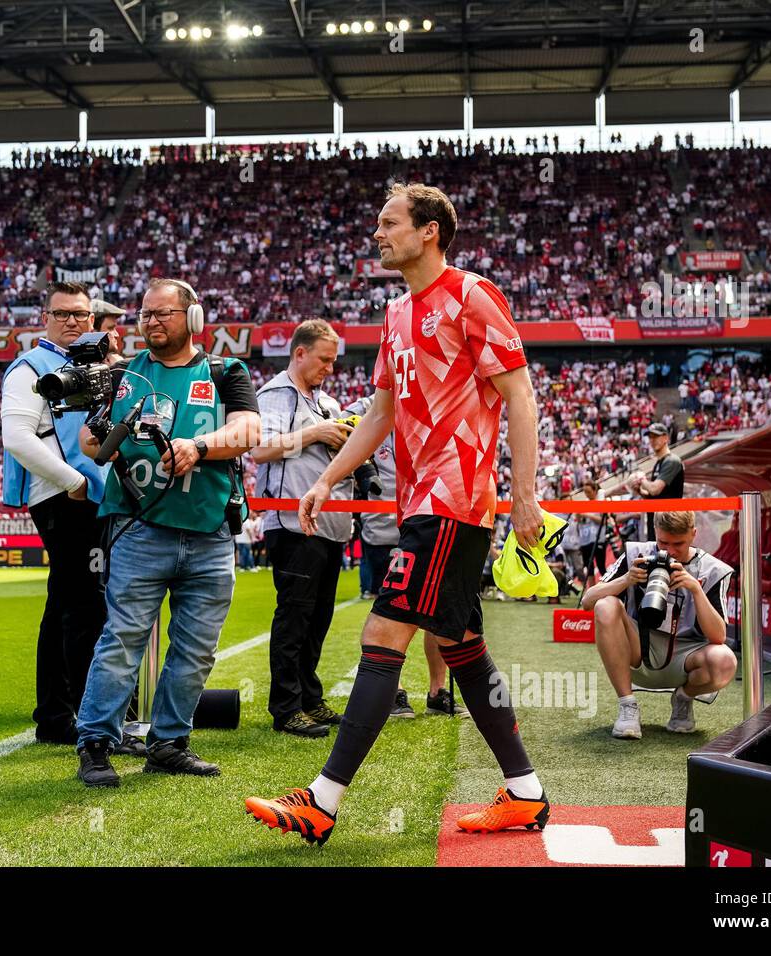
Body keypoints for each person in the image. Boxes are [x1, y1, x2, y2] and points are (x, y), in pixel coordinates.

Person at [245, 182, 549, 846]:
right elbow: (380, 413)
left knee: (383, 636)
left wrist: (524, 493)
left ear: (429, 231)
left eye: (389, 223)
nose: (377, 234)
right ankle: (525, 792)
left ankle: (321, 802)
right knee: (463, 647)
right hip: (422, 501)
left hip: (453, 499)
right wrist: (328, 476)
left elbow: (519, 396)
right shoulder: (396, 314)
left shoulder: (473, 295)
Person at [74, 277, 261, 788]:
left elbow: (249, 431)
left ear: (193, 318)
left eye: (164, 314)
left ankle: (169, 743)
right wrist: (106, 435)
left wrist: (197, 447)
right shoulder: (121, 376)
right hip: (138, 528)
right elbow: (91, 443)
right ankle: (95, 744)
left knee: (196, 647)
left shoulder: (225, 372)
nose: (152, 323)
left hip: (209, 532)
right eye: (146, 315)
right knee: (123, 639)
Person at [1, 281, 111, 747]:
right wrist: (74, 482)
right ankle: (74, 713)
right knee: (82, 606)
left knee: (67, 602)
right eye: (63, 313)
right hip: (64, 497)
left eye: (81, 315)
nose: (72, 321)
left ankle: (55, 712)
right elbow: (18, 438)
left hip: (87, 496)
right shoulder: (29, 368)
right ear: (44, 317)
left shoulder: (87, 366)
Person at [252, 320, 354, 738]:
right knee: (295, 616)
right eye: (324, 359)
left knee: (318, 618)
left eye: (333, 360)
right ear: (299, 353)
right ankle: (287, 706)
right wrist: (316, 432)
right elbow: (260, 449)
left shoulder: (324, 400)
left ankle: (309, 698)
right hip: (292, 523)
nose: (330, 367)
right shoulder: (278, 394)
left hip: (328, 523)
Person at [346, 392, 460, 718]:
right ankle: (392, 692)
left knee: (435, 609)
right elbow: (342, 423)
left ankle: (438, 692)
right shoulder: (368, 405)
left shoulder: (432, 402)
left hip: (427, 521)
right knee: (390, 610)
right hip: (383, 527)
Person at [581, 510, 736, 739]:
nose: (670, 551)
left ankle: (684, 697)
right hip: (637, 650)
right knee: (605, 605)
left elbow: (718, 637)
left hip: (685, 658)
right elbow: (587, 601)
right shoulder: (637, 554)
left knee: (724, 660)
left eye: (679, 544)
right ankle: (627, 705)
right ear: (655, 532)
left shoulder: (713, 569)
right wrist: (626, 579)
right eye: (663, 542)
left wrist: (694, 588)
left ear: (694, 534)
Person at [627, 422, 685, 539]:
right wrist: (639, 490)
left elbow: (655, 490)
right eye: (650, 437)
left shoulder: (672, 461)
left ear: (666, 438)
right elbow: (653, 497)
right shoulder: (659, 463)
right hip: (657, 522)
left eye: (656, 436)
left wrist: (641, 479)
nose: (652, 440)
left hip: (669, 524)